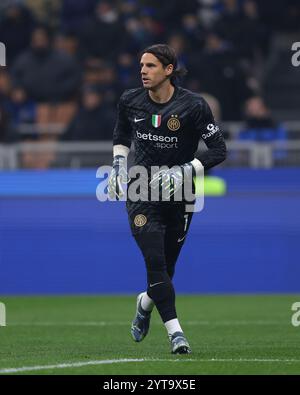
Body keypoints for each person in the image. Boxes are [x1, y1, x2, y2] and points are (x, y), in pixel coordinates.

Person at [107, 44, 226, 354]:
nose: (143, 71)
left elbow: (219, 150)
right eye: (141, 66)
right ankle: (176, 334)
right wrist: (119, 167)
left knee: (166, 272)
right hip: (141, 190)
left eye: (150, 66)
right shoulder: (130, 101)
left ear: (169, 70)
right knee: (155, 263)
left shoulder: (194, 106)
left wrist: (185, 171)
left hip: (180, 195)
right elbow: (121, 136)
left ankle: (145, 303)